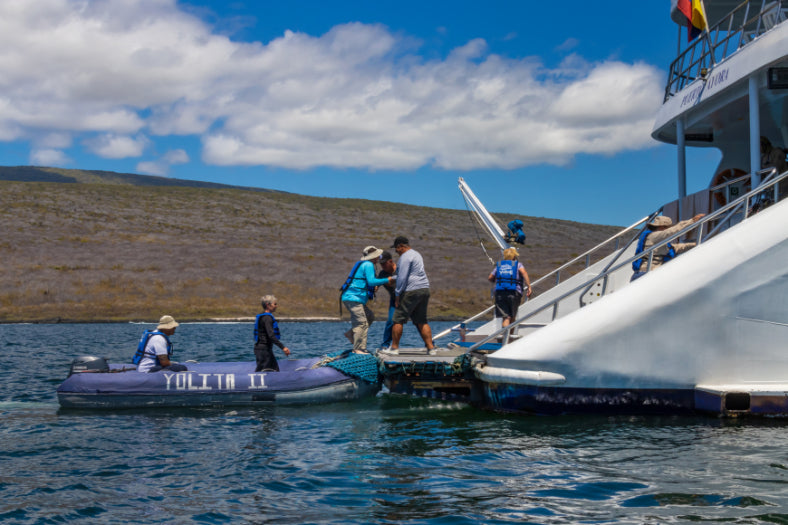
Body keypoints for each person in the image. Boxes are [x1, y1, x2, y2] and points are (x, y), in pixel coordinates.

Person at [340, 246, 394, 353]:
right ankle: (358, 349)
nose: (378, 258)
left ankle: (351, 334)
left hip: (354, 298)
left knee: (369, 316)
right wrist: (387, 279)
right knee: (361, 323)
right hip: (353, 298)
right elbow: (371, 281)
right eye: (377, 256)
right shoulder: (368, 264)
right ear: (373, 257)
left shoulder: (364, 264)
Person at [389, 236, 434, 351]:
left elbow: (403, 277)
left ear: (401, 247)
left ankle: (394, 348)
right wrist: (393, 278)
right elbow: (411, 273)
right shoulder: (416, 254)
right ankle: (431, 348)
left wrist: (398, 294)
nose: (396, 251)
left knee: (398, 319)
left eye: (396, 248)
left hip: (411, 290)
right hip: (424, 288)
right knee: (421, 320)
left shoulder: (405, 257)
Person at [631, 214, 705, 280]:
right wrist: (691, 221)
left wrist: (696, 243)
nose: (669, 228)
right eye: (668, 227)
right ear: (663, 227)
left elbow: (676, 248)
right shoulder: (654, 236)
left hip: (643, 274)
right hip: (646, 274)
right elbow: (670, 232)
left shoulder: (658, 242)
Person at [488, 247, 532, 330]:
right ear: (515, 256)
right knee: (512, 316)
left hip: (500, 293)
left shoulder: (500, 265)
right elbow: (524, 273)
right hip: (514, 292)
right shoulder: (518, 265)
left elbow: (490, 277)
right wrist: (529, 286)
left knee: (505, 317)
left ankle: (505, 337)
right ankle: (508, 339)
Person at [254, 295, 291, 372]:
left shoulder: (262, 317)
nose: (276, 306)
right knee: (269, 371)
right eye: (275, 304)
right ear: (268, 304)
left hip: (261, 349)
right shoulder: (267, 318)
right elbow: (271, 335)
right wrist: (283, 348)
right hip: (264, 350)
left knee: (272, 370)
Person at [376, 250, 397, 350]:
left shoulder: (401, 270)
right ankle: (385, 345)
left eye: (384, 263)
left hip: (408, 299)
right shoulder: (382, 274)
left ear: (391, 261)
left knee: (418, 321)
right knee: (390, 321)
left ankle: (430, 344)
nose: (383, 266)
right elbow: (376, 286)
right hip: (394, 300)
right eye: (381, 264)